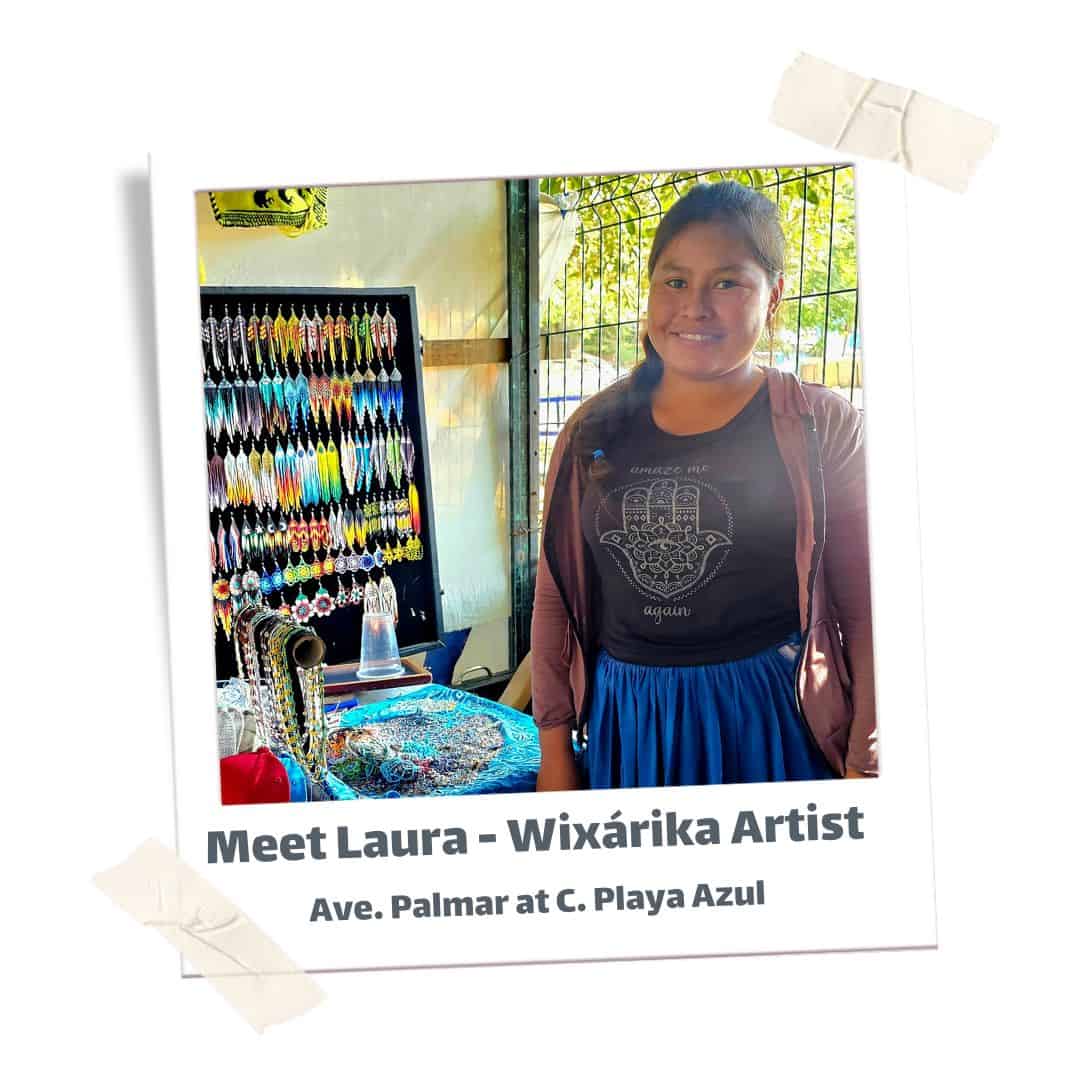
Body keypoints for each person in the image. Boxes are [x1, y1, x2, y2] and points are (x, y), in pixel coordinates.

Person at [531, 181, 876, 791]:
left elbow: (870, 608)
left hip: (769, 716)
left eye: (726, 282)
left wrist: (864, 760)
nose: (695, 306)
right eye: (674, 281)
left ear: (773, 299)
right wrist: (555, 750)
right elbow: (556, 598)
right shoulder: (591, 429)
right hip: (633, 721)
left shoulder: (820, 426)